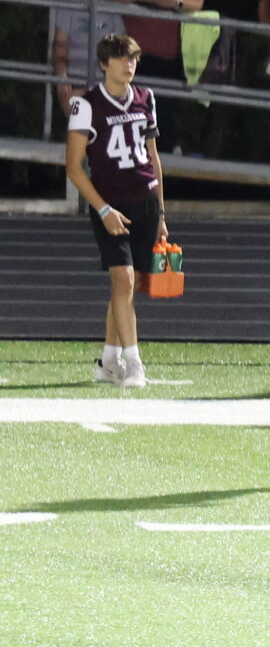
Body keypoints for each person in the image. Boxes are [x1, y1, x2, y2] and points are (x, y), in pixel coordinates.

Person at [64, 32, 167, 388]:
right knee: (123, 280)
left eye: (133, 58)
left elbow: (153, 158)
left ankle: (109, 361)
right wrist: (103, 209)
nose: (129, 64)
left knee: (129, 286)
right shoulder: (87, 104)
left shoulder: (145, 97)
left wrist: (161, 213)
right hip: (109, 203)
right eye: (122, 58)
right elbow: (74, 166)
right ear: (104, 64)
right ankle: (134, 363)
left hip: (145, 199)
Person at [48, 0, 121, 111]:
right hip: (75, 77)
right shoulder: (68, 8)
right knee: (76, 108)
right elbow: (60, 46)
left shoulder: (111, 8)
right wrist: (62, 81)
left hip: (105, 79)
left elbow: (121, 47)